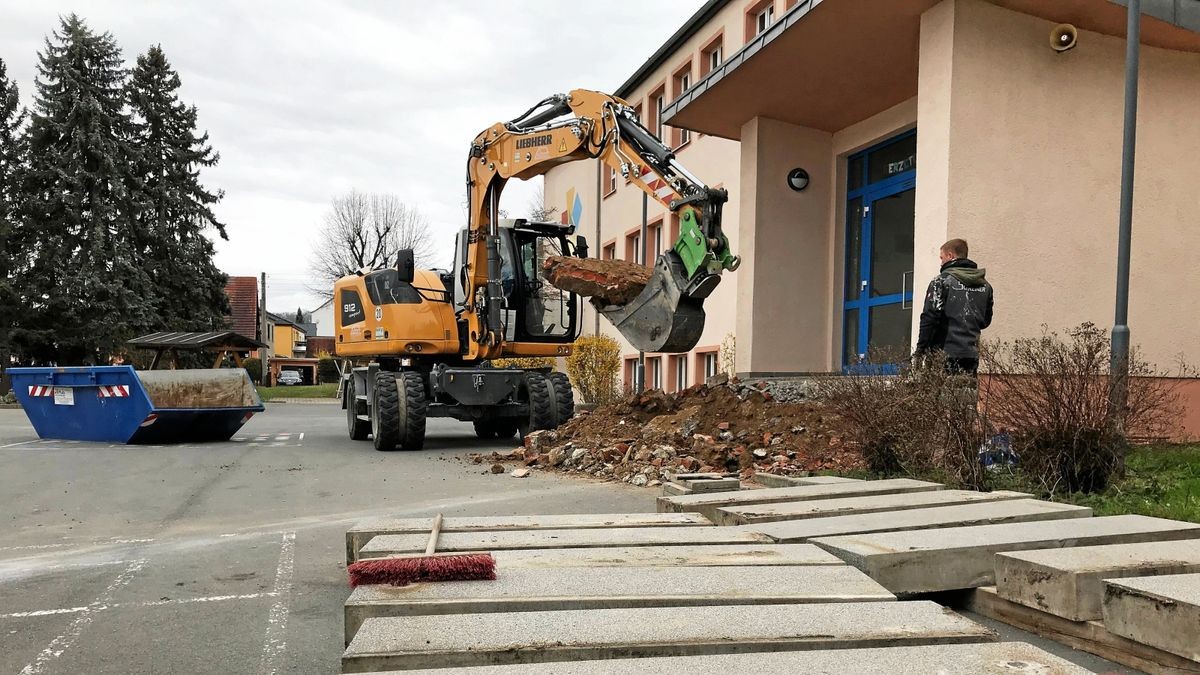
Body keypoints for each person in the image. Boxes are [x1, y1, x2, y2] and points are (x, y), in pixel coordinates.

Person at [914, 238, 993, 374]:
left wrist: (920, 350)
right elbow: (985, 321)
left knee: (940, 393)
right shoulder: (985, 286)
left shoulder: (941, 282)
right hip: (971, 354)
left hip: (943, 354)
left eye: (942, 257)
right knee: (966, 392)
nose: (941, 262)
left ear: (950, 256)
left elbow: (929, 318)